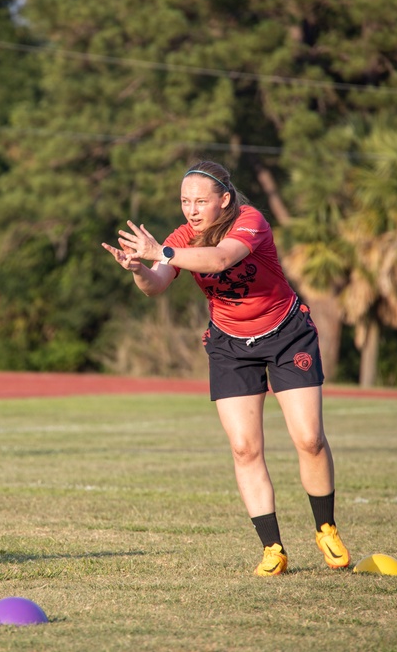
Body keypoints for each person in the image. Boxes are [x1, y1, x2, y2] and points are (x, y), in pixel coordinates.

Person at [101, 160, 350, 576]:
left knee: (309, 439)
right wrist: (139, 270)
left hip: (287, 334)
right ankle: (273, 548)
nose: (191, 210)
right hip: (229, 344)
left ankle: (325, 526)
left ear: (225, 200)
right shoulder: (181, 237)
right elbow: (157, 286)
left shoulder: (251, 220)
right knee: (244, 448)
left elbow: (219, 260)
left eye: (200, 201)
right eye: (185, 201)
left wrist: (159, 251)